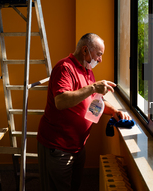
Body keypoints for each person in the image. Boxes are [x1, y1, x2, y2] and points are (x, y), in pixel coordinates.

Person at [37, 33, 131, 191]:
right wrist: (93, 87)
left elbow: (92, 102)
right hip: (58, 147)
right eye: (99, 54)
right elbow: (60, 101)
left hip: (78, 146)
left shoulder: (87, 70)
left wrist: (114, 111)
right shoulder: (64, 68)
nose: (100, 60)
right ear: (85, 50)